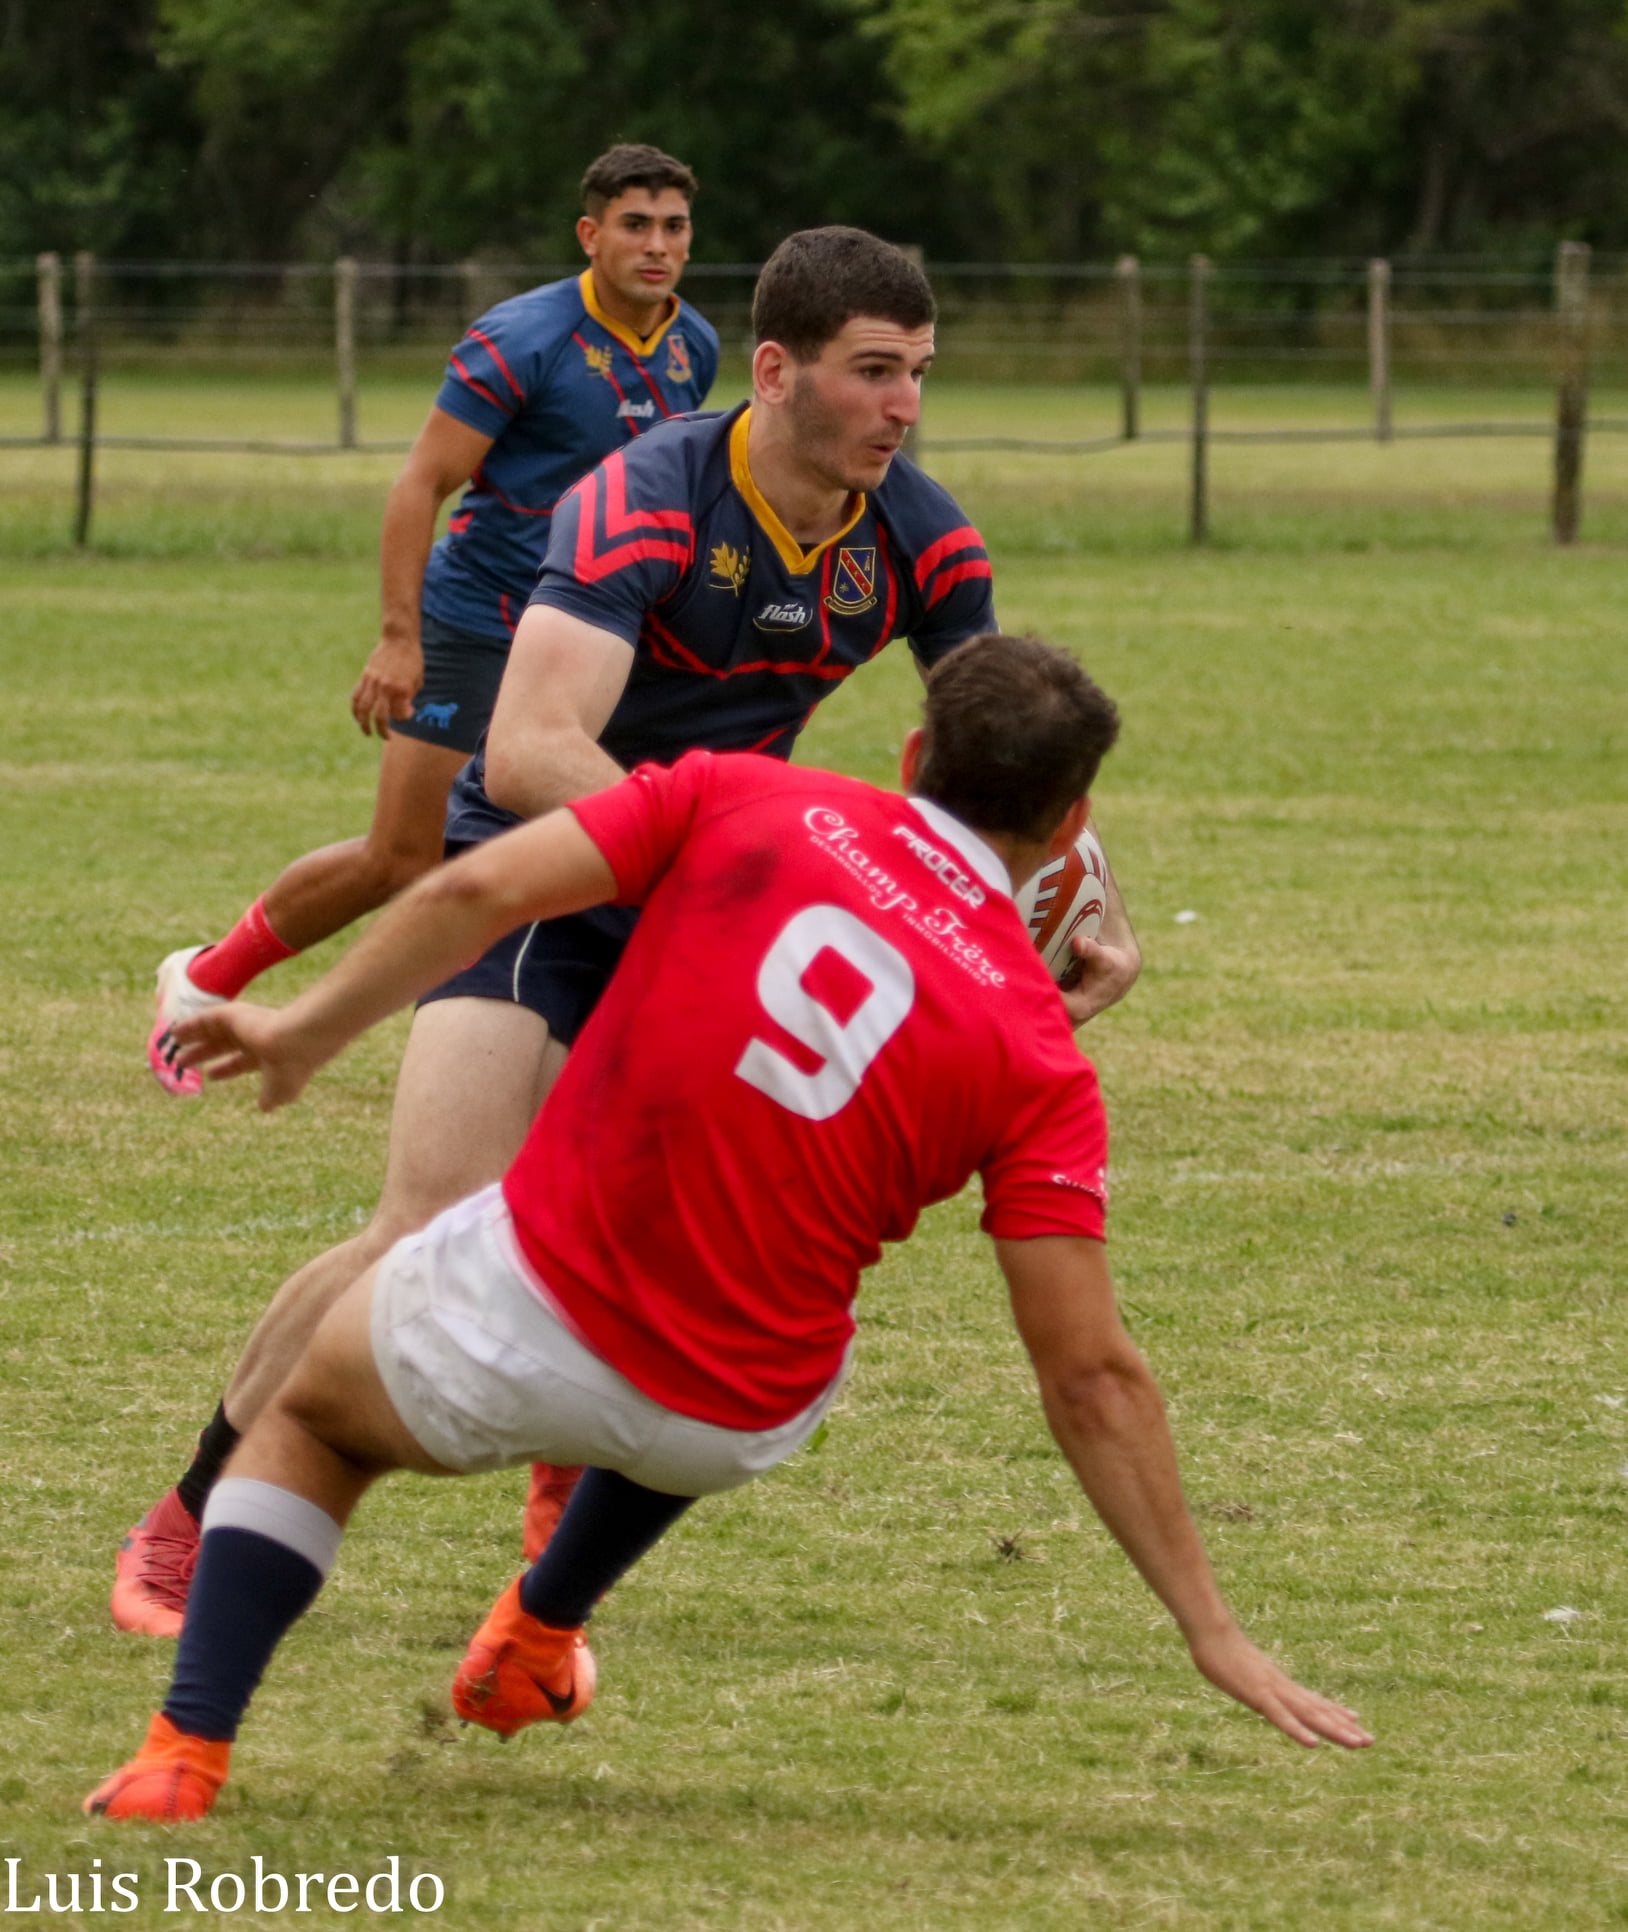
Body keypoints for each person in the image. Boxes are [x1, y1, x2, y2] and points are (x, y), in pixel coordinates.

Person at [85, 634, 1369, 1824]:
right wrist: (1210, 1628)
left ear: (913, 757)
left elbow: (478, 886)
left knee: (311, 1427)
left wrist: (304, 1027)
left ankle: (182, 1754)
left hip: (535, 1307)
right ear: (1071, 821)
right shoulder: (1037, 1049)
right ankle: (538, 1632)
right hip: (731, 1414)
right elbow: (1089, 1375)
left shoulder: (747, 796)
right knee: (768, 1321)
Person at [114, 227, 1142, 1638]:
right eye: (875, 373)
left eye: (920, 374)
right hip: (543, 877)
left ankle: (545, 1587)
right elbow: (534, 750)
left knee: (685, 1246)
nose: (906, 407)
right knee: (426, 1224)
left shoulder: (920, 535)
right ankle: (190, 1516)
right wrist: (747, 862)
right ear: (774, 372)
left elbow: (1003, 760)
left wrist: (1090, 902)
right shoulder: (645, 499)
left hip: (716, 908)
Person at [147, 142, 717, 1099]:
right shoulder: (522, 337)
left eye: (673, 227)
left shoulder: (693, 344)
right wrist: (399, 636)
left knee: (601, 837)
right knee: (403, 855)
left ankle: (588, 1045)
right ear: (592, 234)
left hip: (589, 634)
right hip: (477, 619)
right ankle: (202, 983)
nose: (656, 245)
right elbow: (422, 483)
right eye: (635, 225)